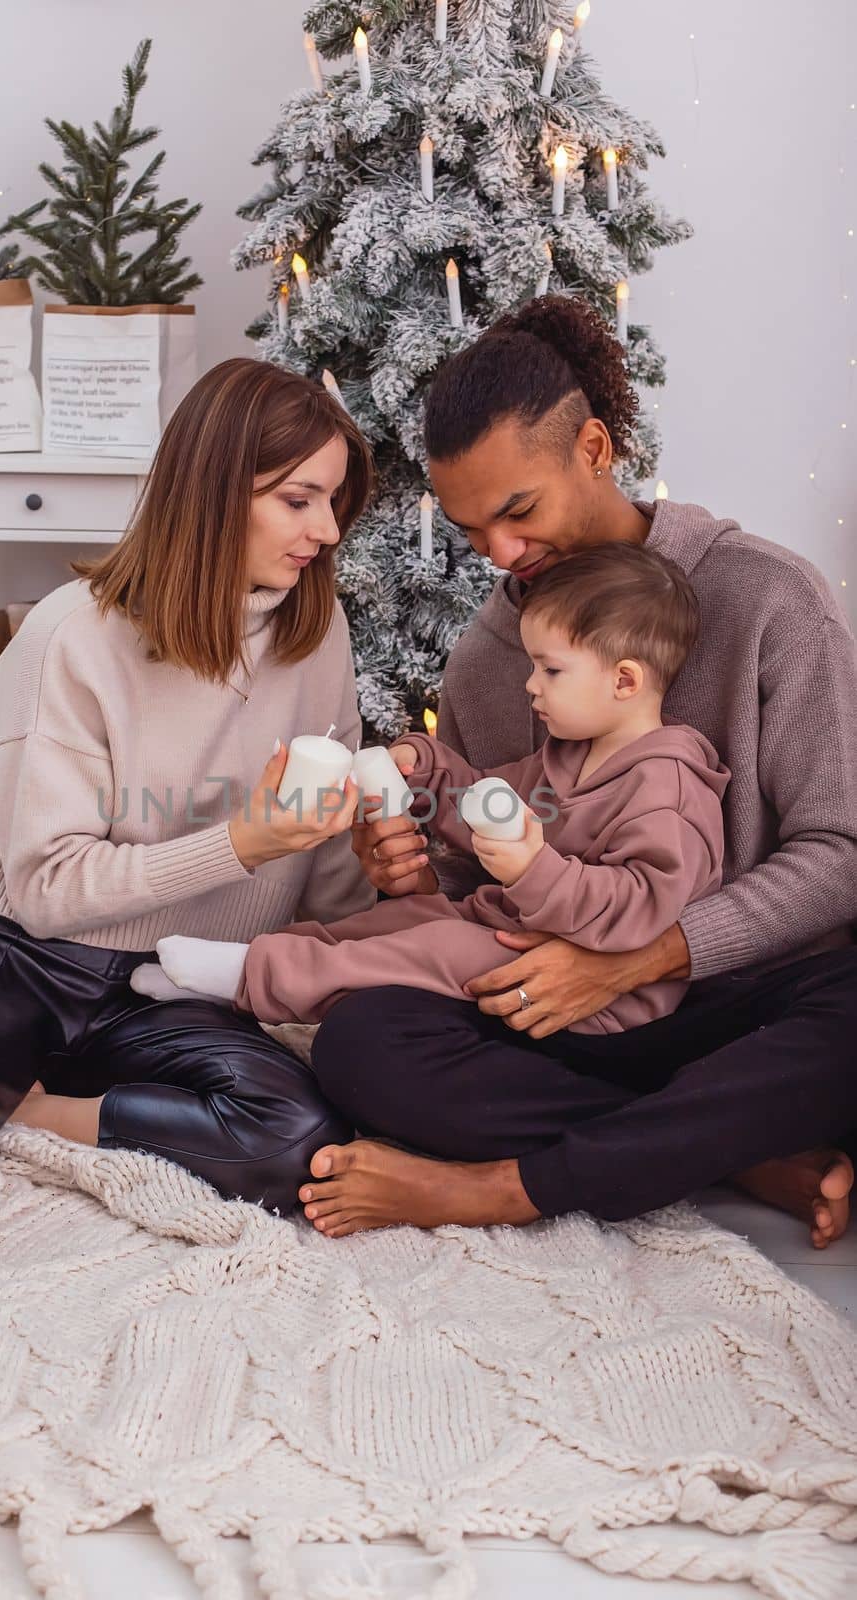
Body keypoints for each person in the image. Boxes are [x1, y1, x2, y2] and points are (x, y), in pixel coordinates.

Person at [294, 296, 857, 1246]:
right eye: (473, 533)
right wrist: (416, 869)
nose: (503, 557)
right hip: (566, 1018)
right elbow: (479, 885)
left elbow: (839, 854)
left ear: (592, 449)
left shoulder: (766, 598)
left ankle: (503, 1187)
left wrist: (644, 957)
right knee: (360, 1044)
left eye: (518, 511)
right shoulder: (490, 656)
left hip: (744, 997)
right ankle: (720, 1147)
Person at [0, 357, 378, 1265]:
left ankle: (19, 1101)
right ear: (217, 489)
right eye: (298, 500)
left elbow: (323, 848)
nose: (325, 530)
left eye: (333, 501)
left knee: (293, 1143)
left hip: (166, 974)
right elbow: (47, 888)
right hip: (11, 949)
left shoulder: (317, 629)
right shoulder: (73, 633)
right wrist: (241, 843)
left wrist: (371, 914)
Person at [151, 544, 730, 1034]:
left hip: (593, 995)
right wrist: (422, 767)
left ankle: (254, 977)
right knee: (403, 923)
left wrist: (533, 869)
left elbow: (642, 909)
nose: (531, 686)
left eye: (550, 670)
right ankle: (253, 971)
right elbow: (476, 800)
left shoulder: (668, 788)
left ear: (625, 680)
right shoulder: (566, 755)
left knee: (446, 950)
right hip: (511, 932)